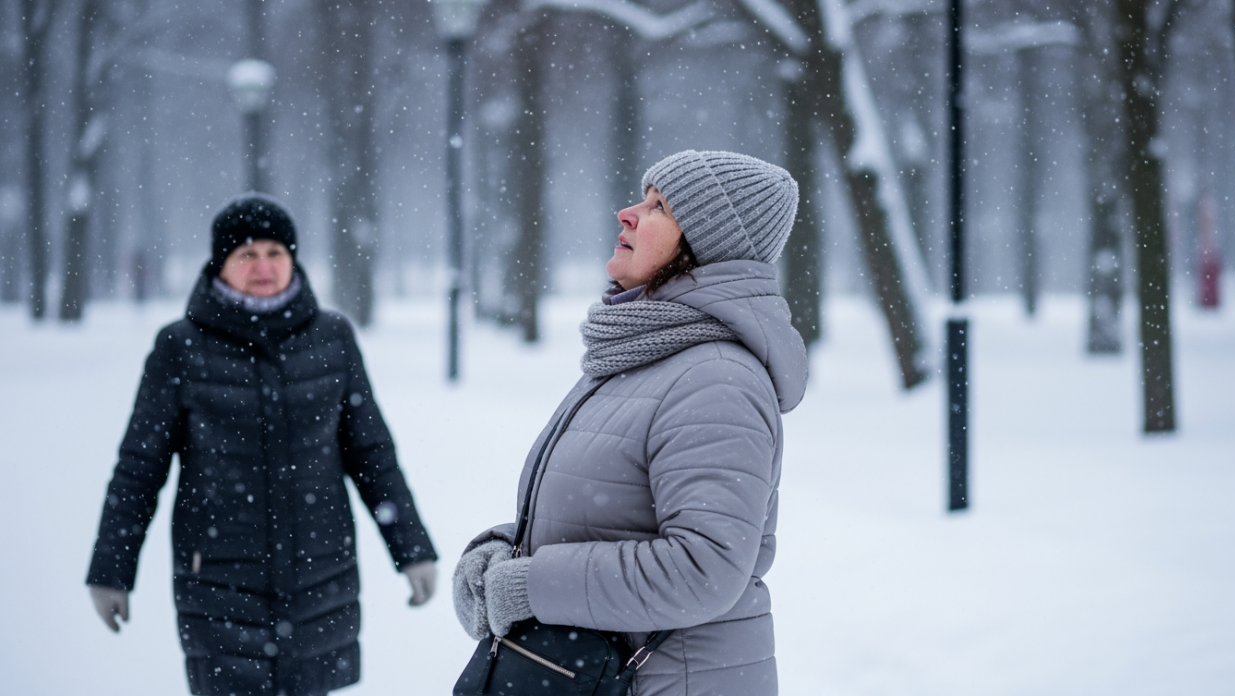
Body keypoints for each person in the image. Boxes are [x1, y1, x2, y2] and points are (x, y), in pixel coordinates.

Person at [452, 150, 807, 695]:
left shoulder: (716, 378)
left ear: (704, 243)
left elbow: (703, 566)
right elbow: (606, 513)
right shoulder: (645, 352)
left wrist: (532, 585)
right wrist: (502, 550)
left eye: (659, 206)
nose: (627, 213)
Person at [86, 193, 439, 696]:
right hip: (218, 577)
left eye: (275, 252)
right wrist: (111, 569)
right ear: (220, 265)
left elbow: (372, 455)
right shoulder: (180, 347)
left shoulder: (332, 338)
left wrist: (412, 549)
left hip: (320, 570)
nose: (263, 267)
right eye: (246, 255)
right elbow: (139, 469)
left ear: (292, 258)